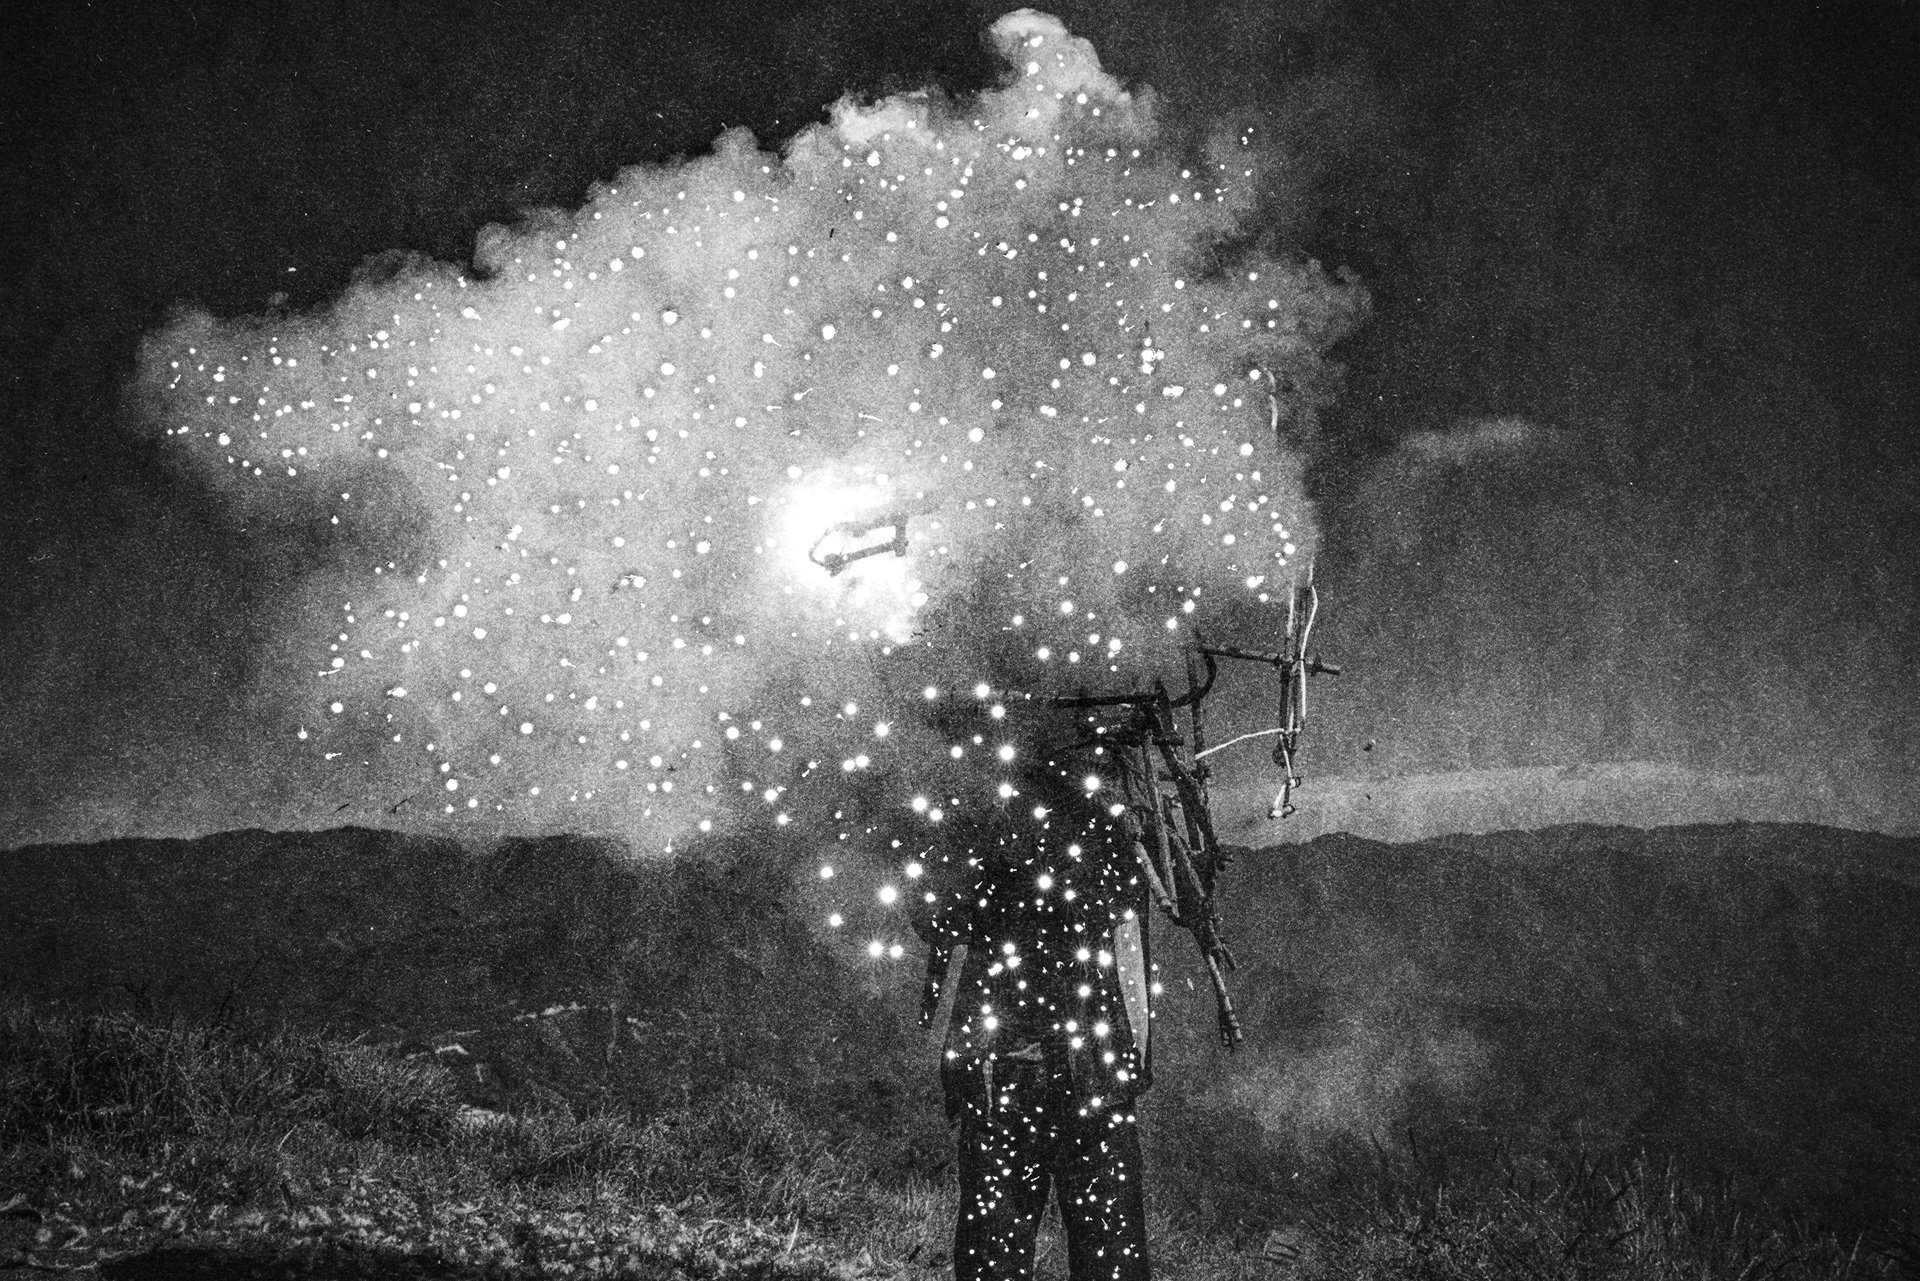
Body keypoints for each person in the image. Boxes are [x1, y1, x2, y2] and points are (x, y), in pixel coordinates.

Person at [911, 738, 1156, 1281]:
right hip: (1069, 1076)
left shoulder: (996, 834)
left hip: (1041, 1077)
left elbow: (932, 915)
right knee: (1095, 1249)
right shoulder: (1100, 836)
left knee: (1007, 1248)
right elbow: (933, 915)